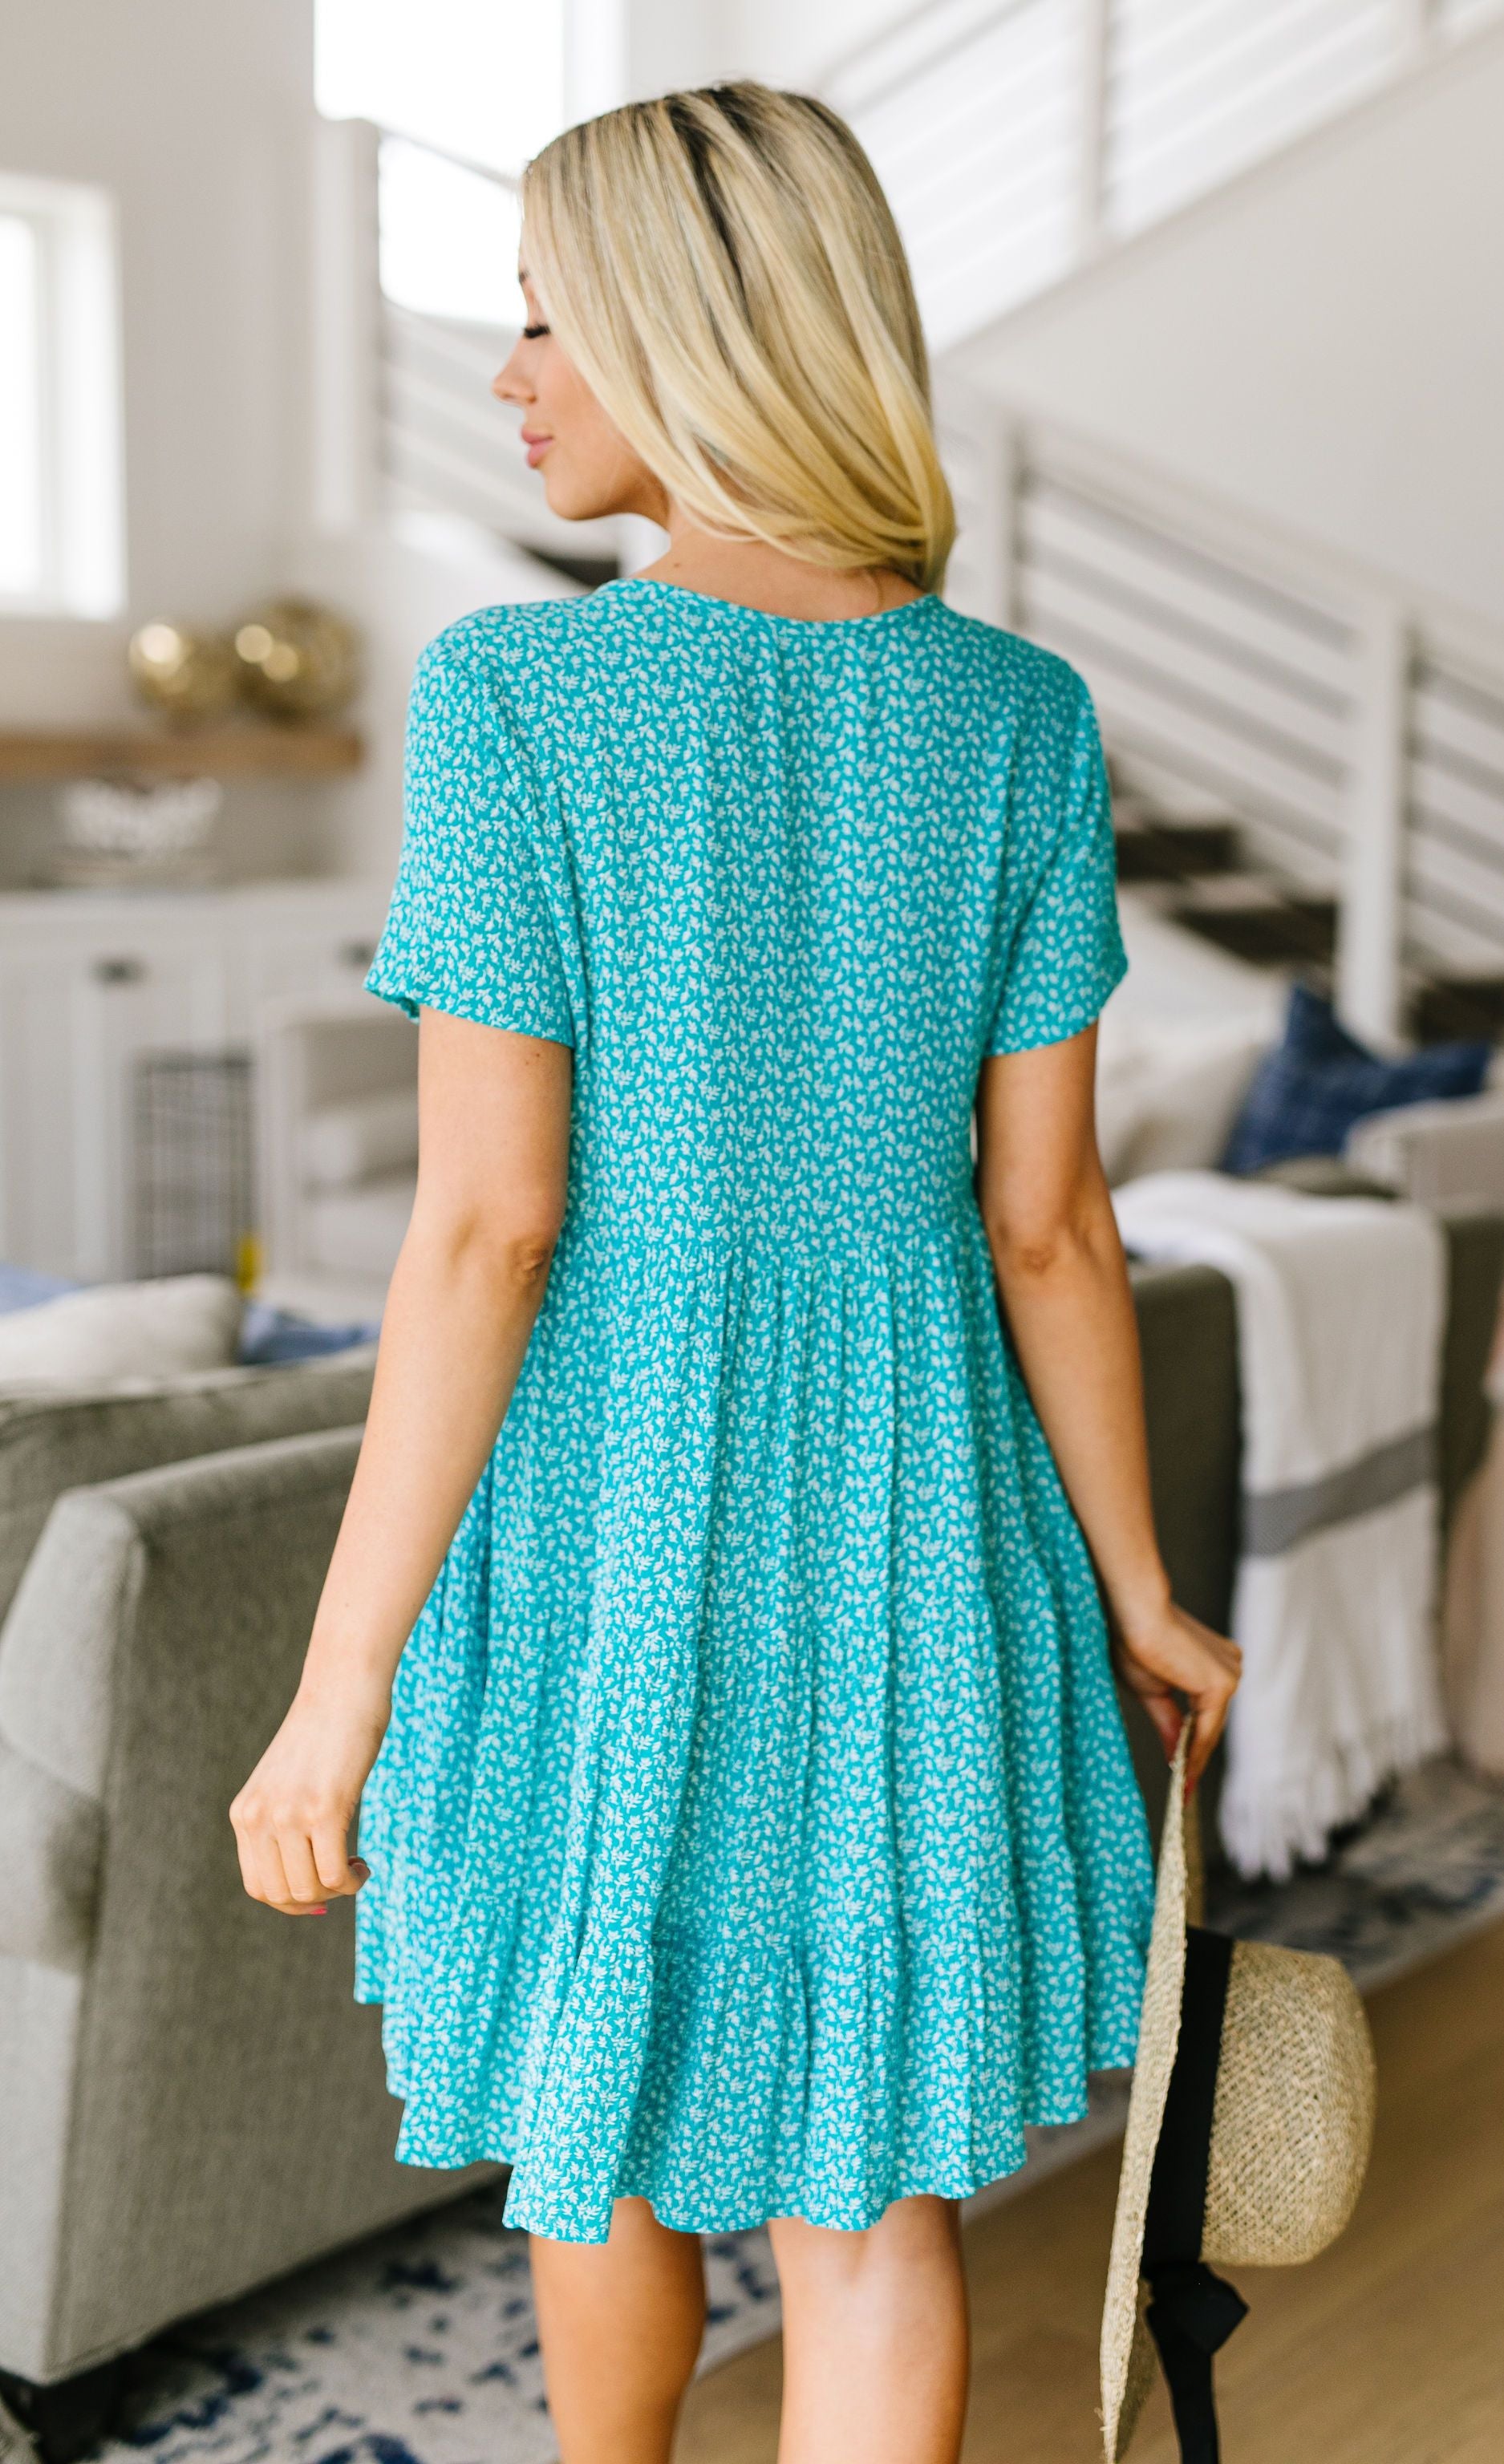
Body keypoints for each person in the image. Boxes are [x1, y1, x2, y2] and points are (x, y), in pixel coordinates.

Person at [231, 81, 1239, 2464]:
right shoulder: (1021, 714)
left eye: (543, 324)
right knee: (871, 2188)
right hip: (916, 1518)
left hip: (612, 1500)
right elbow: (1053, 1225)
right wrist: (1137, 1582)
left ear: (688, 340)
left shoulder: (518, 697)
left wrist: (334, 1680)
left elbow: (490, 1227)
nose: (513, 379)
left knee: (610, 2093)